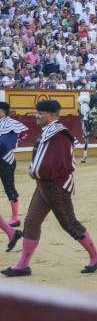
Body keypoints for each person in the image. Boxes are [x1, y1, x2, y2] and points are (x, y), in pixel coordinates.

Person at [2, 100, 97, 277]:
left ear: (51, 115)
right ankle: (23, 264)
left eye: (40, 113)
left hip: (55, 184)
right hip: (44, 183)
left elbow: (61, 163)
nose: (37, 115)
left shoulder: (59, 133)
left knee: (68, 222)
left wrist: (41, 172)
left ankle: (96, 255)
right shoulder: (50, 131)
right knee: (32, 222)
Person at [0, 102, 27, 248]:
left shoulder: (10, 124)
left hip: (5, 160)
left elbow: (5, 145)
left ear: (3, 111)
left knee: (9, 187)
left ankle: (15, 218)